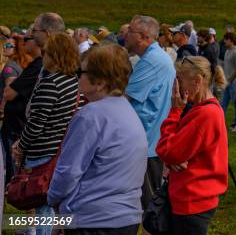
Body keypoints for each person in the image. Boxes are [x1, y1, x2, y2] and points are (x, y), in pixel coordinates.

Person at [48, 44, 147, 235]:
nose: (77, 77)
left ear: (100, 82)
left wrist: (53, 201)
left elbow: (68, 173)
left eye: (80, 72)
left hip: (92, 220)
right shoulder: (127, 110)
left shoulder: (91, 115)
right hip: (126, 218)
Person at [13, 33, 80, 235]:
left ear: (55, 55)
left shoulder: (51, 83)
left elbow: (36, 123)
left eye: (47, 52)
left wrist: (20, 146)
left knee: (40, 201)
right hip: (61, 147)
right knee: (51, 204)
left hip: (43, 151)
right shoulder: (72, 80)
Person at [156, 56, 228, 235]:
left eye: (180, 81)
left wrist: (174, 112)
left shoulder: (204, 114)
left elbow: (167, 150)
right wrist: (174, 158)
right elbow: (177, 151)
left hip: (192, 200)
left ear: (197, 81)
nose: (177, 88)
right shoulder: (205, 109)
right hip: (194, 197)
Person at [124, 15, 176, 217]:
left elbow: (125, 99)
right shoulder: (152, 57)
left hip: (148, 142)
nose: (125, 35)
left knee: (149, 205)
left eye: (130, 31)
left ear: (144, 36)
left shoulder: (152, 61)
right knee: (147, 203)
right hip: (150, 139)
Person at [2, 30, 43, 184]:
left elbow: (8, 93)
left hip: (17, 126)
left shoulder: (12, 66)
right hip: (20, 124)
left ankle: (13, 185)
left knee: (14, 166)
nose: (25, 41)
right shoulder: (30, 64)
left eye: (27, 39)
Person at [221, 32, 236, 123]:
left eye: (226, 39)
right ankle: (219, 120)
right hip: (226, 81)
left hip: (234, 82)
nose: (224, 41)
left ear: (231, 41)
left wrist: (231, 79)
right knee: (223, 102)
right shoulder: (227, 50)